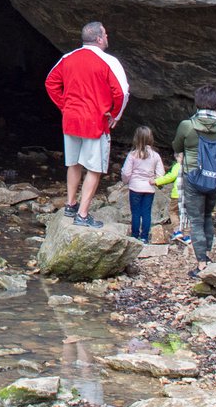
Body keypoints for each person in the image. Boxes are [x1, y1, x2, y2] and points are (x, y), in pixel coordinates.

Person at [43, 21, 129, 228]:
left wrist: (65, 105)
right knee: (94, 168)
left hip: (71, 119)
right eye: (106, 34)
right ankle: (82, 214)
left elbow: (50, 82)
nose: (107, 38)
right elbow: (122, 92)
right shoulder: (109, 61)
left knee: (74, 163)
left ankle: (70, 204)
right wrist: (115, 115)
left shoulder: (67, 58)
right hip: (95, 121)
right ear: (99, 38)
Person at [172, 83, 216, 272]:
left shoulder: (187, 126)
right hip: (215, 178)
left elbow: (177, 146)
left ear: (197, 103)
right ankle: (207, 255)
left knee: (196, 220)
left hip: (193, 177)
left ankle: (201, 263)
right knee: (206, 216)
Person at [119, 125, 163, 242]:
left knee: (136, 212)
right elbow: (160, 174)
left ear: (136, 139)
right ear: (151, 139)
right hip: (149, 189)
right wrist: (156, 182)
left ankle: (134, 236)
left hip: (135, 188)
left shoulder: (132, 155)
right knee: (146, 213)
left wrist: (125, 181)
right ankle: (144, 237)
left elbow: (126, 172)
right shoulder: (156, 156)